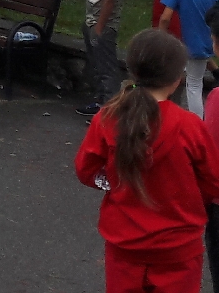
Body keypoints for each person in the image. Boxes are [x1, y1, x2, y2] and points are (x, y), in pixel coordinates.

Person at [75, 29, 219, 293]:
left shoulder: (108, 118)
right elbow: (213, 182)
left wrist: (115, 182)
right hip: (178, 248)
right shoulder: (190, 126)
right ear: (177, 79)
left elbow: (86, 170)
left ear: (133, 71)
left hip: (124, 243)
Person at [77, 0, 129, 118]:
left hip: (104, 25)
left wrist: (99, 27)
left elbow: (109, 0)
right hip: (91, 21)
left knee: (106, 68)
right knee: (96, 65)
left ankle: (110, 110)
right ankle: (100, 102)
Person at [160, 0, 219, 118]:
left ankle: (197, 121)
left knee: (193, 85)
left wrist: (161, 37)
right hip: (209, 42)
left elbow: (165, 18)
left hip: (192, 45)